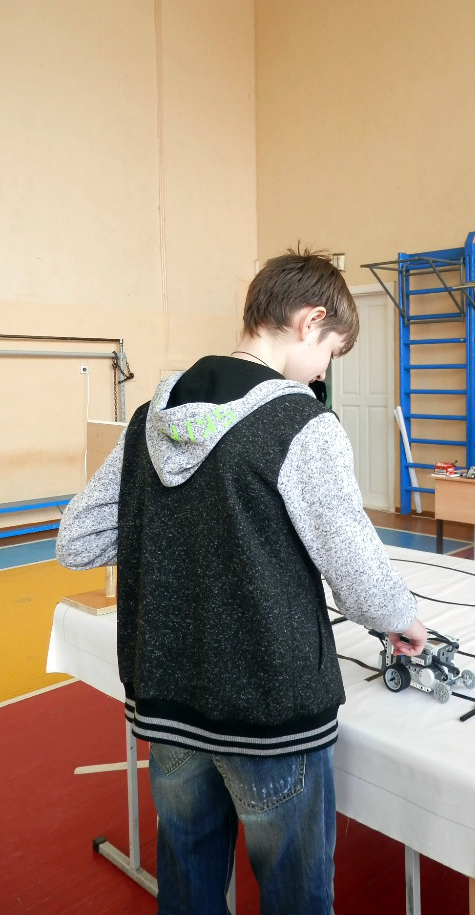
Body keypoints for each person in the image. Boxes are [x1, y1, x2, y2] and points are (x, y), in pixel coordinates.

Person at [56, 247, 427, 915]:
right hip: (270, 710)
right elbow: (357, 574)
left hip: (168, 703)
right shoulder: (300, 424)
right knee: (294, 895)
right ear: (310, 322)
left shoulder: (148, 419)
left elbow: (76, 541)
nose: (325, 372)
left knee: (189, 885)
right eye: (330, 353)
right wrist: (403, 620)